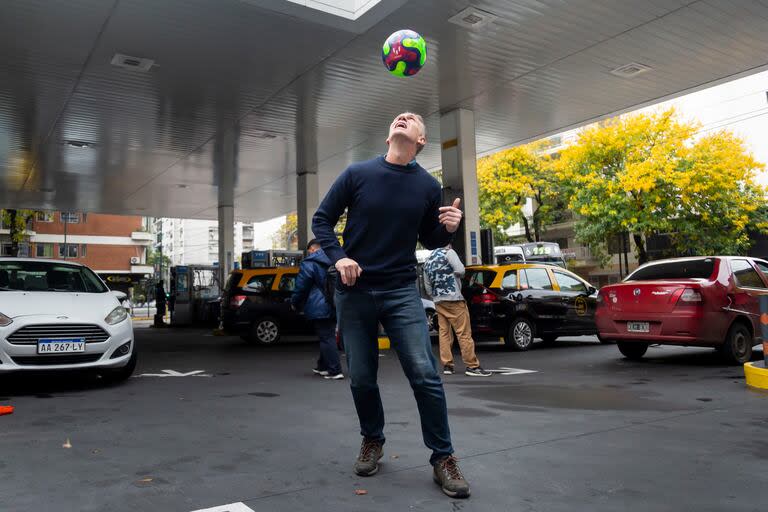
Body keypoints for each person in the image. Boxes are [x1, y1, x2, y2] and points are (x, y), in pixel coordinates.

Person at [313, 112, 471, 499]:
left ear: (420, 141)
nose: (403, 118)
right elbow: (321, 221)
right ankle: (372, 440)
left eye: (413, 119)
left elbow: (430, 238)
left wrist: (449, 227)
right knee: (363, 376)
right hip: (354, 290)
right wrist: (339, 256)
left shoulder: (427, 186)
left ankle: (443, 458)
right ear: (388, 138)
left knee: (425, 374)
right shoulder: (357, 174)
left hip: (401, 291)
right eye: (399, 118)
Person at [423, 245, 492, 377]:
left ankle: (447, 365)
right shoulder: (449, 253)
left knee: (444, 333)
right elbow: (460, 270)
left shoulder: (428, 260)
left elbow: (427, 287)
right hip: (454, 298)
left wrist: (435, 296)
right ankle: (472, 366)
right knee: (463, 332)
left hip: (439, 301)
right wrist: (455, 275)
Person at [290, 239, 344, 380]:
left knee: (326, 337)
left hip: (319, 304)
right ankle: (323, 366)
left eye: (309, 251)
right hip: (336, 302)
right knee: (326, 335)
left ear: (313, 249)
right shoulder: (337, 259)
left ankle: (335, 370)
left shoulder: (310, 263)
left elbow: (301, 286)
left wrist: (294, 302)